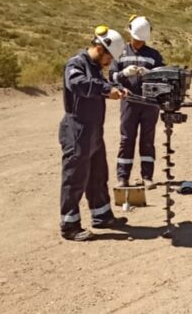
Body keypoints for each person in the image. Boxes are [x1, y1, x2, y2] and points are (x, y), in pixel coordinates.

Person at [59, 25, 130, 241]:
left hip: (93, 130)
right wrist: (106, 90)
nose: (110, 63)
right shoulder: (76, 64)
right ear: (101, 49)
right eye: (110, 58)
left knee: (98, 174)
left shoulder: (95, 67)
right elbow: (78, 84)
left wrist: (116, 86)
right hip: (77, 129)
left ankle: (102, 215)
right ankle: (69, 225)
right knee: (75, 177)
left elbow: (103, 83)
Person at [110, 16, 165, 190]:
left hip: (150, 103)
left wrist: (150, 73)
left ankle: (147, 177)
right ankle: (123, 177)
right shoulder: (120, 53)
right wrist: (123, 75)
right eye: (136, 39)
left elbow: (164, 77)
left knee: (147, 140)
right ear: (130, 35)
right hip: (129, 102)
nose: (139, 42)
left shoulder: (154, 55)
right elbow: (111, 77)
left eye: (142, 40)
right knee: (127, 139)